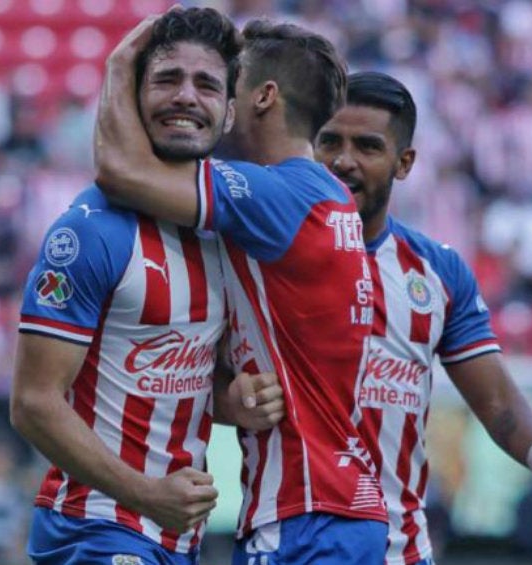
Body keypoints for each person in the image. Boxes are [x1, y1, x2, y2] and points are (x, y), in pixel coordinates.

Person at [95, 15, 388, 565]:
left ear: (263, 97)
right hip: (338, 505)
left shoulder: (276, 194)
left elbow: (118, 171)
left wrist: (118, 67)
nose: (218, 99)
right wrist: (230, 396)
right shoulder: (324, 196)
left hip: (305, 513)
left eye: (228, 83)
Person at [11, 8, 285, 565]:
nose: (186, 96)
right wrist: (142, 493)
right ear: (132, 97)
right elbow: (33, 403)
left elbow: (160, 369)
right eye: (166, 79)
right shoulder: (91, 231)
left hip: (175, 538)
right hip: (97, 529)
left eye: (206, 84)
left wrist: (230, 400)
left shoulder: (224, 228)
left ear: (230, 112)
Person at [313, 71, 532, 565]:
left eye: (368, 147)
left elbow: (496, 401)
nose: (343, 161)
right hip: (293, 544)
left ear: (404, 163)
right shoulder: (269, 254)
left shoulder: (437, 272)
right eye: (329, 141)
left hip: (400, 549)